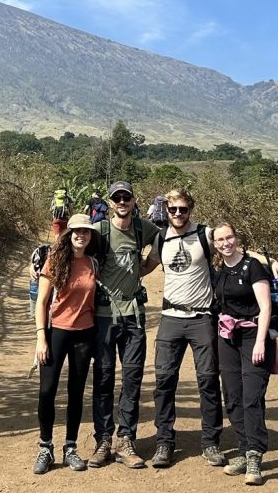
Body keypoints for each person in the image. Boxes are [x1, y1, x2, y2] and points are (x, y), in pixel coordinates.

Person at [142, 188, 278, 470]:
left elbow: (232, 248)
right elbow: (144, 267)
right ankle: (164, 442)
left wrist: (269, 260)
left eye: (183, 209)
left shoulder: (204, 234)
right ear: (166, 211)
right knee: (164, 380)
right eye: (173, 209)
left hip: (202, 318)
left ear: (190, 209)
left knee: (207, 380)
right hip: (170, 317)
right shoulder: (161, 238)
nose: (178, 214)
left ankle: (210, 442)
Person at [87, 181, 161, 470]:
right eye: (116, 197)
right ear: (110, 202)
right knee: (104, 377)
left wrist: (147, 265)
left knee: (132, 379)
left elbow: (167, 237)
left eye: (125, 197)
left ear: (133, 200)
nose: (121, 201)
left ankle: (126, 440)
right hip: (104, 316)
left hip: (134, 317)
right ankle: (103, 440)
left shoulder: (143, 228)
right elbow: (73, 246)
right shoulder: (99, 230)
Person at [32, 214, 99, 474]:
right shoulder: (55, 261)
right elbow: (41, 302)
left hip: (84, 333)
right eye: (77, 231)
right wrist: (41, 338)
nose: (81, 235)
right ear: (69, 234)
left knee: (76, 392)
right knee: (47, 390)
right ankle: (45, 447)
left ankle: (70, 447)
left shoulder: (93, 263)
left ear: (91, 236)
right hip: (56, 332)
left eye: (86, 231)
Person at [213, 223, 276, 486]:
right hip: (228, 337)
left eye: (229, 237)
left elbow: (265, 306)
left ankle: (254, 455)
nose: (225, 243)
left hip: (254, 336)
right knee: (232, 396)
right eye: (220, 240)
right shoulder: (219, 270)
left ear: (237, 239)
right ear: (215, 244)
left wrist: (261, 342)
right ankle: (243, 448)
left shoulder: (253, 267)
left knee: (252, 398)